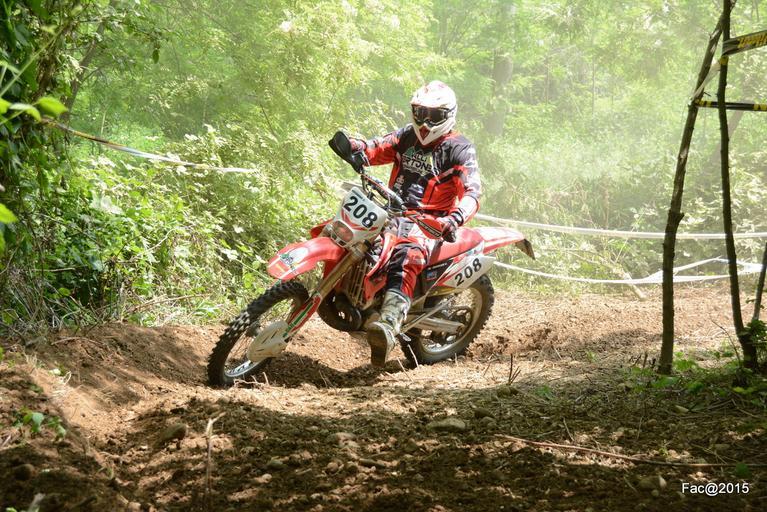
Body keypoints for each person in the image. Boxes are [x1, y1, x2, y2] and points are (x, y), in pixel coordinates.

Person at [348, 80, 482, 367]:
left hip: (429, 224)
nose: (425, 122)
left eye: (433, 116)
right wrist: (354, 146)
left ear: (448, 115)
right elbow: (375, 148)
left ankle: (389, 323)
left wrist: (454, 219)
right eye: (420, 113)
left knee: (406, 255)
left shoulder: (459, 148)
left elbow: (473, 192)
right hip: (391, 211)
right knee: (350, 234)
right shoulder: (407, 136)